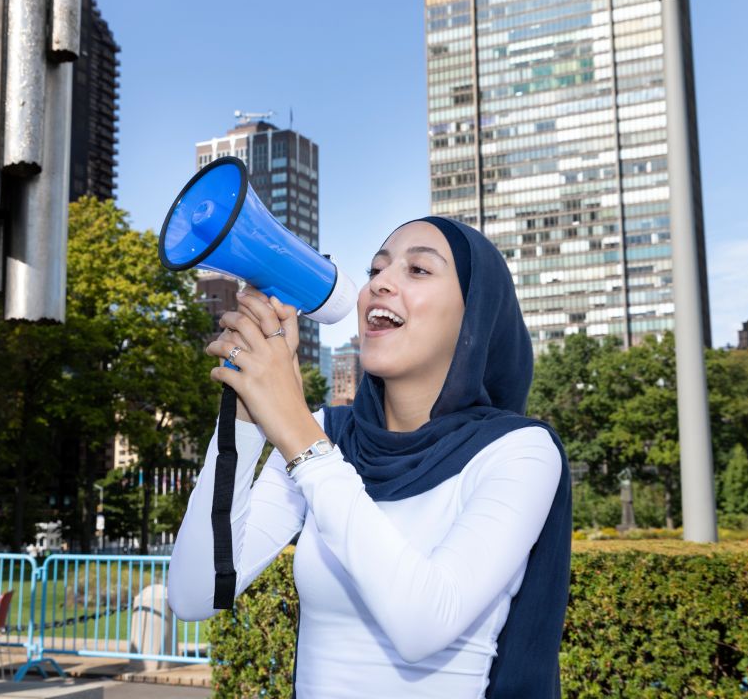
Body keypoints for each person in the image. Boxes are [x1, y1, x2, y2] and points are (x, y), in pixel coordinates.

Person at [167, 216, 571, 699]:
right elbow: (195, 593)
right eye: (376, 269)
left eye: (418, 270)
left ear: (474, 315)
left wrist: (296, 432)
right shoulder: (323, 436)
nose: (381, 282)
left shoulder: (518, 451)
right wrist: (250, 415)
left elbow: (424, 624)